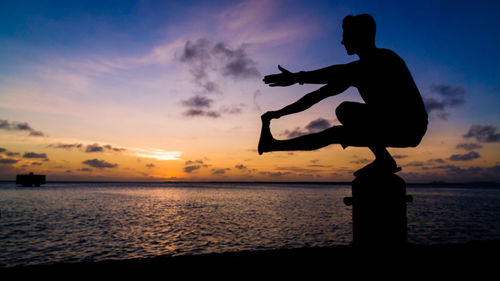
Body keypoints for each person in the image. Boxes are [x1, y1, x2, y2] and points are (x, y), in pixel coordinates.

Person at [258, 14, 428, 176]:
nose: (342, 41)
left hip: (408, 127)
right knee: (335, 134)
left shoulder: (384, 60)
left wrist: (297, 77)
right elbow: (315, 97)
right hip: (390, 125)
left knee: (346, 110)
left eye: (346, 35)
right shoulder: (357, 71)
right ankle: (272, 145)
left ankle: (383, 159)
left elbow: (335, 72)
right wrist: (277, 114)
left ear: (361, 35)